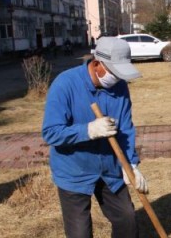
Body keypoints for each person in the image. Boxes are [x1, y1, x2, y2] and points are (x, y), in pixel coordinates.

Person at [42, 36, 148, 238]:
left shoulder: (120, 87)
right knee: (80, 233)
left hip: (109, 168)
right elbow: (50, 133)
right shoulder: (65, 84)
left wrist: (131, 165)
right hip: (74, 170)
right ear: (97, 63)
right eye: (114, 73)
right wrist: (88, 130)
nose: (117, 79)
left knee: (127, 219)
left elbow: (125, 128)